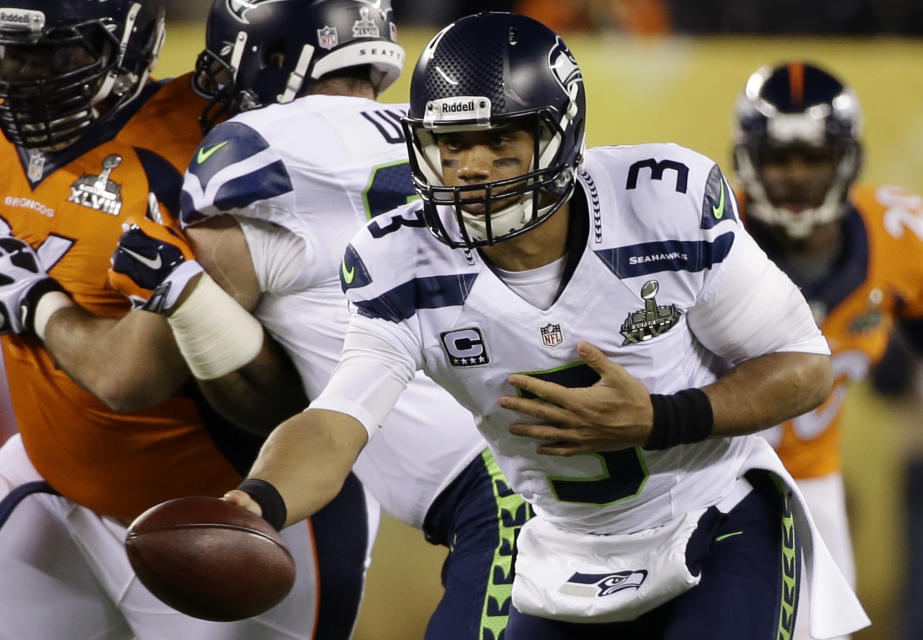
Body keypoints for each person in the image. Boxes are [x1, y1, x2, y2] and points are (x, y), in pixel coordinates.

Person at [177, 12, 873, 638]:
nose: (472, 168)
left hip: (715, 520)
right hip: (562, 555)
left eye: (499, 141)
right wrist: (257, 501)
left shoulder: (663, 203)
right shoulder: (400, 259)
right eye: (452, 144)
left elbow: (801, 367)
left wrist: (663, 418)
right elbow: (337, 420)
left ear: (557, 134)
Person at [108, 1, 533, 638]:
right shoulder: (447, 132)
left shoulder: (256, 148)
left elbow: (168, 367)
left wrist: (173, 292)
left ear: (275, 55)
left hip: (505, 490)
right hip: (552, 458)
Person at [0, 2, 373, 638]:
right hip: (54, 486)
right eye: (12, 49)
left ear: (129, 45)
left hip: (227, 520)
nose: (26, 73)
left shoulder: (212, 149)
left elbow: (129, 381)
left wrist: (32, 302)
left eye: (60, 53)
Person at [731, 60, 923, 640]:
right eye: (779, 158)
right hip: (699, 479)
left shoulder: (901, 236)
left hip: (811, 484)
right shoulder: (711, 234)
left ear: (847, 158)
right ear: (748, 159)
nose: (797, 175)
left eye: (815, 157)